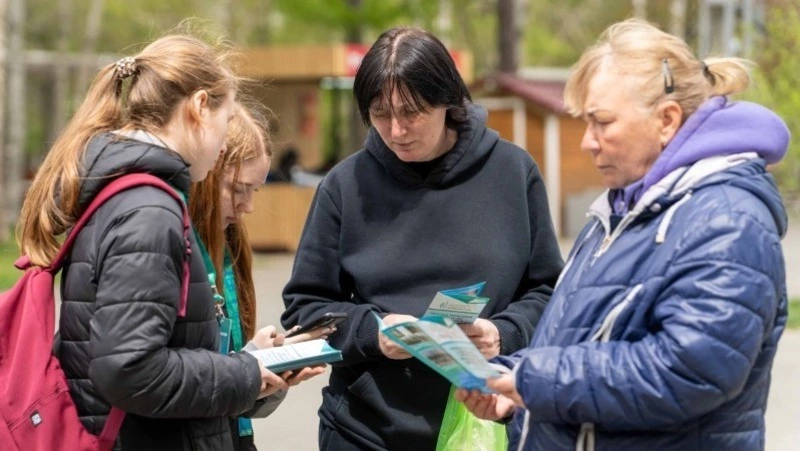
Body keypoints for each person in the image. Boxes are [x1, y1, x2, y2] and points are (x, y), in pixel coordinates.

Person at [457, 19, 790, 451]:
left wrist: (534, 381)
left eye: (602, 123)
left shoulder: (727, 220)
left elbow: (688, 372)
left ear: (667, 120)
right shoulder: (619, 209)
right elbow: (579, 340)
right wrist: (510, 382)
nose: (588, 143)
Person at [281, 26, 564, 450]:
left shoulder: (512, 173)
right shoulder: (344, 186)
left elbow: (549, 293)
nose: (396, 131)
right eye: (380, 114)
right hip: (365, 430)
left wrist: (502, 333)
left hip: (488, 424)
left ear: (448, 101)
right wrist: (372, 333)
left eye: (412, 112)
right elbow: (305, 309)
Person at [17, 35, 290, 450]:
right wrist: (244, 372)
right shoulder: (149, 211)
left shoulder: (134, 196)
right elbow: (129, 369)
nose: (222, 144)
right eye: (226, 117)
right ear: (200, 107)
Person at [188, 102, 328, 450]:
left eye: (256, 190)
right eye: (238, 190)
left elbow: (230, 390)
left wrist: (269, 374)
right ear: (205, 176)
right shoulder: (176, 246)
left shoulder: (230, 246)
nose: (248, 205)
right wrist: (247, 366)